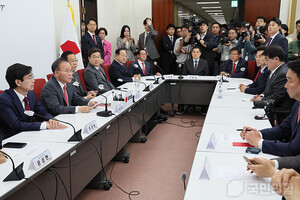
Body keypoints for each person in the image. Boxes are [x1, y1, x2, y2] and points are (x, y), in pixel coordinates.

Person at [240, 59, 300, 157]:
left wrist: (259, 142)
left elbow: (293, 149)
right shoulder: (297, 103)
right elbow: (283, 129)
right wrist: (258, 134)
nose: (285, 86)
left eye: (289, 80)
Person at [0, 63, 66, 139]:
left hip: (30, 134)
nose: (33, 81)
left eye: (32, 77)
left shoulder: (30, 94)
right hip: (13, 139)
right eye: (29, 78)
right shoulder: (4, 100)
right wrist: (44, 125)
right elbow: (16, 125)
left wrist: (52, 120)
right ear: (18, 82)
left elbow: (41, 112)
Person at [251, 45, 294, 124]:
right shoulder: (275, 70)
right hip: (273, 109)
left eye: (267, 59)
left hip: (280, 113)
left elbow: (278, 96)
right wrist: (261, 96)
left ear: (276, 59)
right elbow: (269, 89)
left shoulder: (283, 73)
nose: (266, 62)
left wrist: (261, 101)